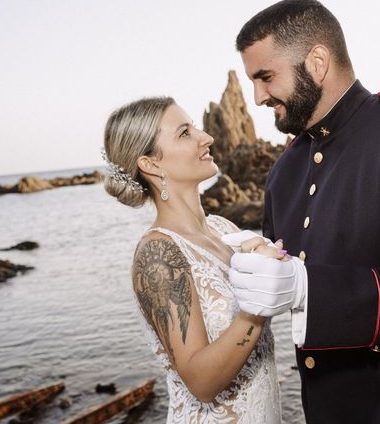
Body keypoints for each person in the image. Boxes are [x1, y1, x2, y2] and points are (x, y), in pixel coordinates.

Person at [227, 0, 380, 423]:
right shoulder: (284, 172)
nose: (256, 97)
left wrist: (307, 290)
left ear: (318, 62)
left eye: (266, 77)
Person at [102, 97, 283, 423]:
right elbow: (201, 383)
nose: (206, 137)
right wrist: (257, 304)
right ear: (151, 164)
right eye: (185, 132)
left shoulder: (224, 229)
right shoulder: (157, 256)